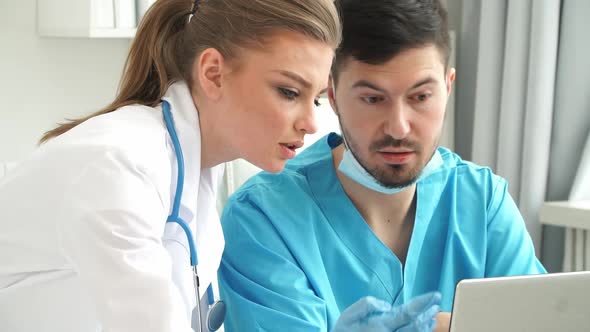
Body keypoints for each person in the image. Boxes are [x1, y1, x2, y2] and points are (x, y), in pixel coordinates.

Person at [0, 0, 341, 331]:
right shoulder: (118, 167)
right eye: (289, 92)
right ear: (213, 74)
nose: (312, 123)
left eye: (317, 99)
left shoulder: (198, 168)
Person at [217, 0, 547, 331]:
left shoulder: (483, 202)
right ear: (332, 94)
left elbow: (543, 322)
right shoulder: (261, 218)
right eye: (373, 99)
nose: (398, 127)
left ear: (447, 88)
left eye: (420, 97)